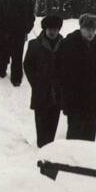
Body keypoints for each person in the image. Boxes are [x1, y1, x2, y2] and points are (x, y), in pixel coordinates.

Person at [55, 13, 96, 142]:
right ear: (81, 28)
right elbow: (58, 70)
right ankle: (70, 161)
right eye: (88, 29)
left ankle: (86, 161)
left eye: (93, 30)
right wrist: (63, 91)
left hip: (93, 100)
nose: (91, 33)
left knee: (89, 137)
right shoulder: (68, 44)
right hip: (74, 99)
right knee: (74, 135)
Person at [23, 13, 64, 147]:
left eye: (55, 29)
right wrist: (36, 82)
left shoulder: (64, 45)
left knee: (52, 127)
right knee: (41, 127)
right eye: (50, 29)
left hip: (57, 94)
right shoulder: (34, 44)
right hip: (40, 93)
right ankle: (41, 152)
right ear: (44, 29)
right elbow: (27, 65)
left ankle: (49, 153)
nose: (53, 32)